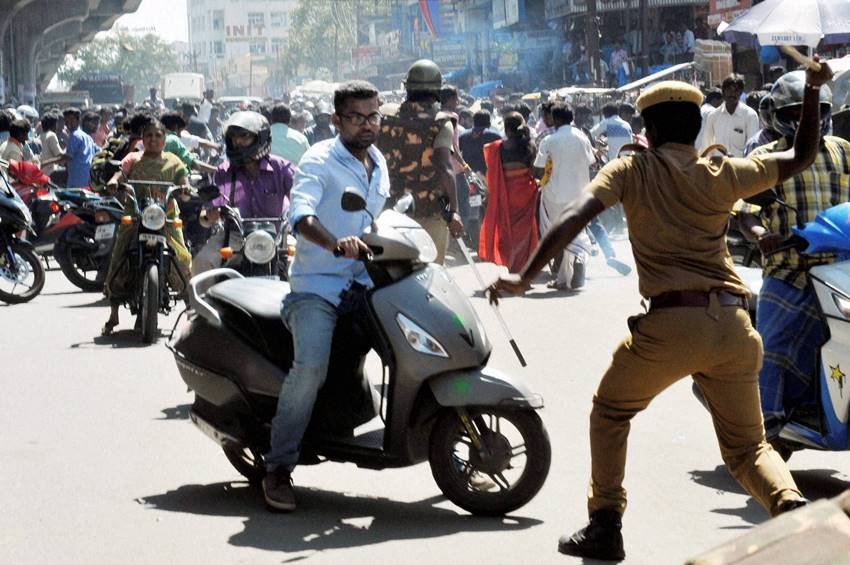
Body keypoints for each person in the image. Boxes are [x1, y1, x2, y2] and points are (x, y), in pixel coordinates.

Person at [489, 63, 834, 559]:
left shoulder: (633, 168)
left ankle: (605, 524)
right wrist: (814, 91)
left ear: (647, 131)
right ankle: (793, 510)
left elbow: (573, 214)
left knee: (610, 412)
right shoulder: (724, 171)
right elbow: (802, 154)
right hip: (735, 326)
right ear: (697, 128)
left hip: (670, 324)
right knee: (749, 450)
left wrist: (524, 276)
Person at [262, 81, 389, 512]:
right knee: (311, 368)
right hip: (318, 286)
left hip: (365, 283)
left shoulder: (378, 162)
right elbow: (301, 214)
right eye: (356, 117)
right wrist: (335, 243)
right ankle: (278, 468)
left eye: (373, 116)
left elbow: (382, 220)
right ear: (337, 120)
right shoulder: (319, 160)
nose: (367, 124)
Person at [736, 71, 850, 448]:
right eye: (798, 113)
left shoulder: (843, 150)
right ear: (782, 117)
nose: (808, 119)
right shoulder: (767, 156)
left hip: (840, 271)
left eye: (815, 110)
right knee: (771, 347)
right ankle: (761, 432)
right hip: (790, 270)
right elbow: (746, 209)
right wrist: (760, 235)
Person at [102, 118, 193, 335]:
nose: (153, 139)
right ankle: (113, 314)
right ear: (142, 139)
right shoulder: (133, 159)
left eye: (158, 136)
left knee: (182, 258)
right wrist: (115, 181)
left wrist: (186, 188)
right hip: (135, 216)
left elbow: (184, 181)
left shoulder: (174, 161)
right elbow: (120, 174)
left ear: (165, 139)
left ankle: (192, 311)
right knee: (119, 255)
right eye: (149, 135)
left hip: (167, 218)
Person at [378, 59, 463, 264]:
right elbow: (444, 167)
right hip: (431, 212)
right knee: (431, 273)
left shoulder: (385, 116)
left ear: (407, 87)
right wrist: (454, 212)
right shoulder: (441, 122)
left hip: (390, 211)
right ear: (437, 90)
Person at [193, 111, 294, 275]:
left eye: (244, 136)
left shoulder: (281, 168)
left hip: (276, 237)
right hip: (234, 236)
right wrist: (209, 215)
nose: (237, 141)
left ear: (260, 138)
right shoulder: (224, 171)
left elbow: (300, 196)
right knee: (203, 262)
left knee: (299, 266)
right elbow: (209, 209)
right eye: (234, 137)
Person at [533, 103, 595, 289]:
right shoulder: (582, 137)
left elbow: (538, 169)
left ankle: (565, 277)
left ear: (557, 119)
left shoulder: (549, 140)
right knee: (578, 230)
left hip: (555, 194)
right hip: (580, 193)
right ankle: (574, 265)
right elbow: (591, 163)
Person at [478, 112, 538, 274]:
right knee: (525, 232)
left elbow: (491, 173)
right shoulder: (530, 146)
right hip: (525, 193)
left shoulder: (497, 148)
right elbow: (534, 171)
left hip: (505, 194)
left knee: (506, 230)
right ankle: (523, 268)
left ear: (506, 129)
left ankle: (509, 264)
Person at [458, 111, 502, 250]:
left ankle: (478, 245)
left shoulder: (463, 136)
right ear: (488, 122)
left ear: (473, 121)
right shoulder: (495, 135)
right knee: (491, 211)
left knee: (474, 212)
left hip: (471, 180)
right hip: (490, 180)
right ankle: (489, 244)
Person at [701, 74, 760, 157]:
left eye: (736, 90)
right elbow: (706, 145)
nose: (732, 94)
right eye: (729, 90)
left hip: (740, 168)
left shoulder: (750, 116)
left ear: (740, 93)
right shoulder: (714, 116)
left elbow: (752, 150)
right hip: (718, 167)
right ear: (723, 92)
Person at [53, 108, 97, 188]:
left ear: (78, 120)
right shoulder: (86, 136)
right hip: (88, 181)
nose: (68, 123)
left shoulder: (74, 136)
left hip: (77, 182)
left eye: (71, 120)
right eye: (66, 121)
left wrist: (45, 163)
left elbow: (67, 157)